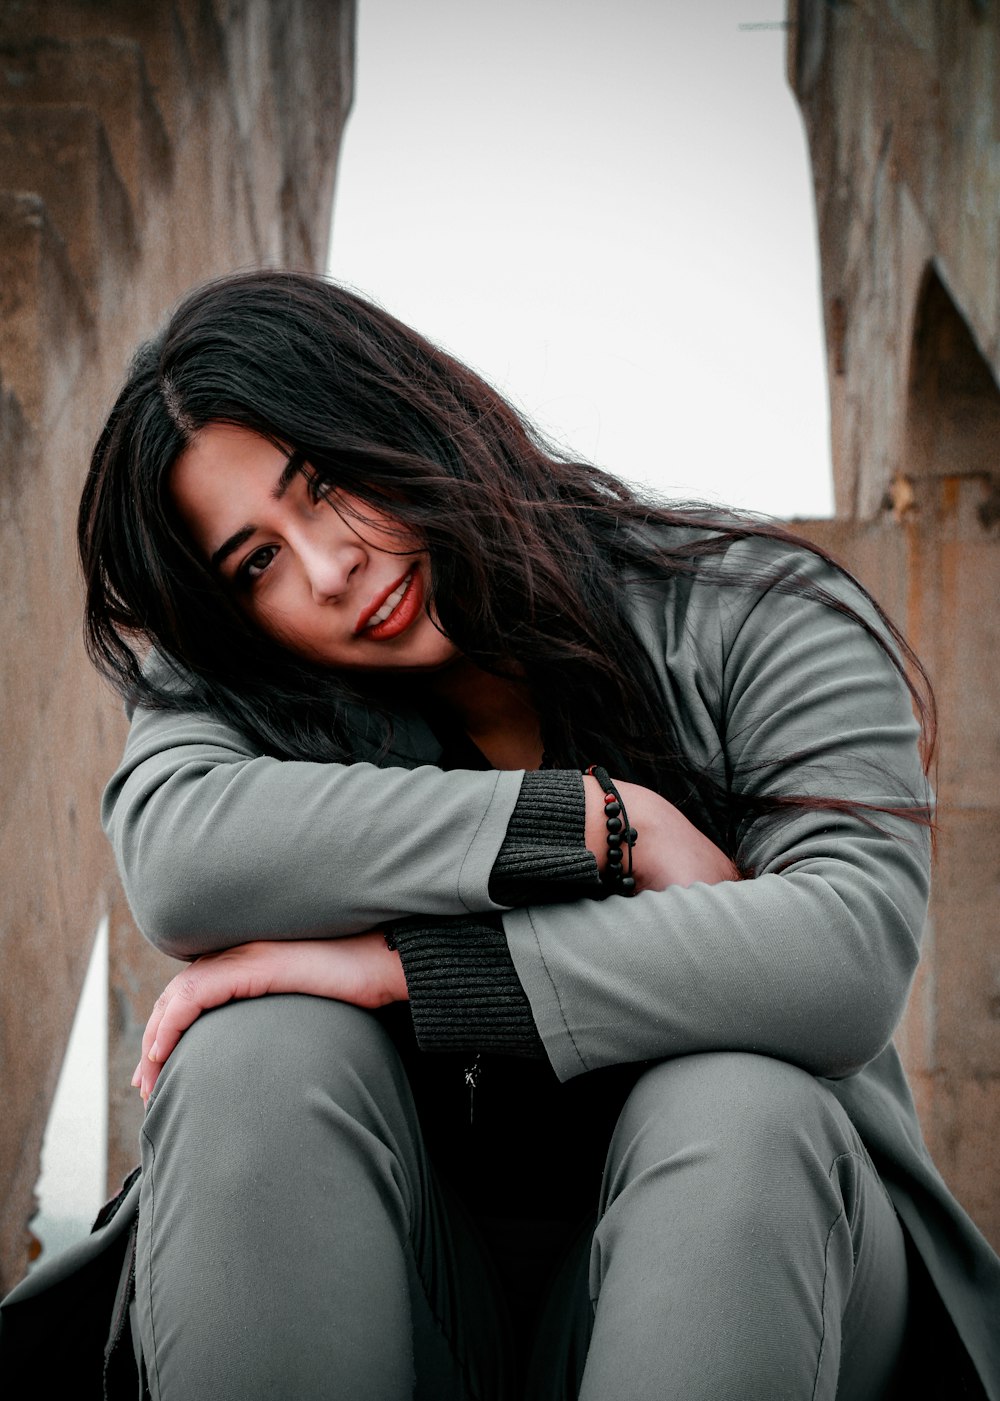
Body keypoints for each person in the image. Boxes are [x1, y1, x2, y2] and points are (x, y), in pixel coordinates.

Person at [74, 269, 999, 1401]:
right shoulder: (252, 689)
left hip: (785, 1278)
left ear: (405, 410)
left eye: (322, 486)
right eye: (256, 561)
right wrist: (593, 823)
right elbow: (181, 858)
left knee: (739, 1108)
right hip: (412, 1308)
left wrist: (403, 972)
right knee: (254, 1057)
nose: (327, 570)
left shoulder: (752, 611)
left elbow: (842, 956)